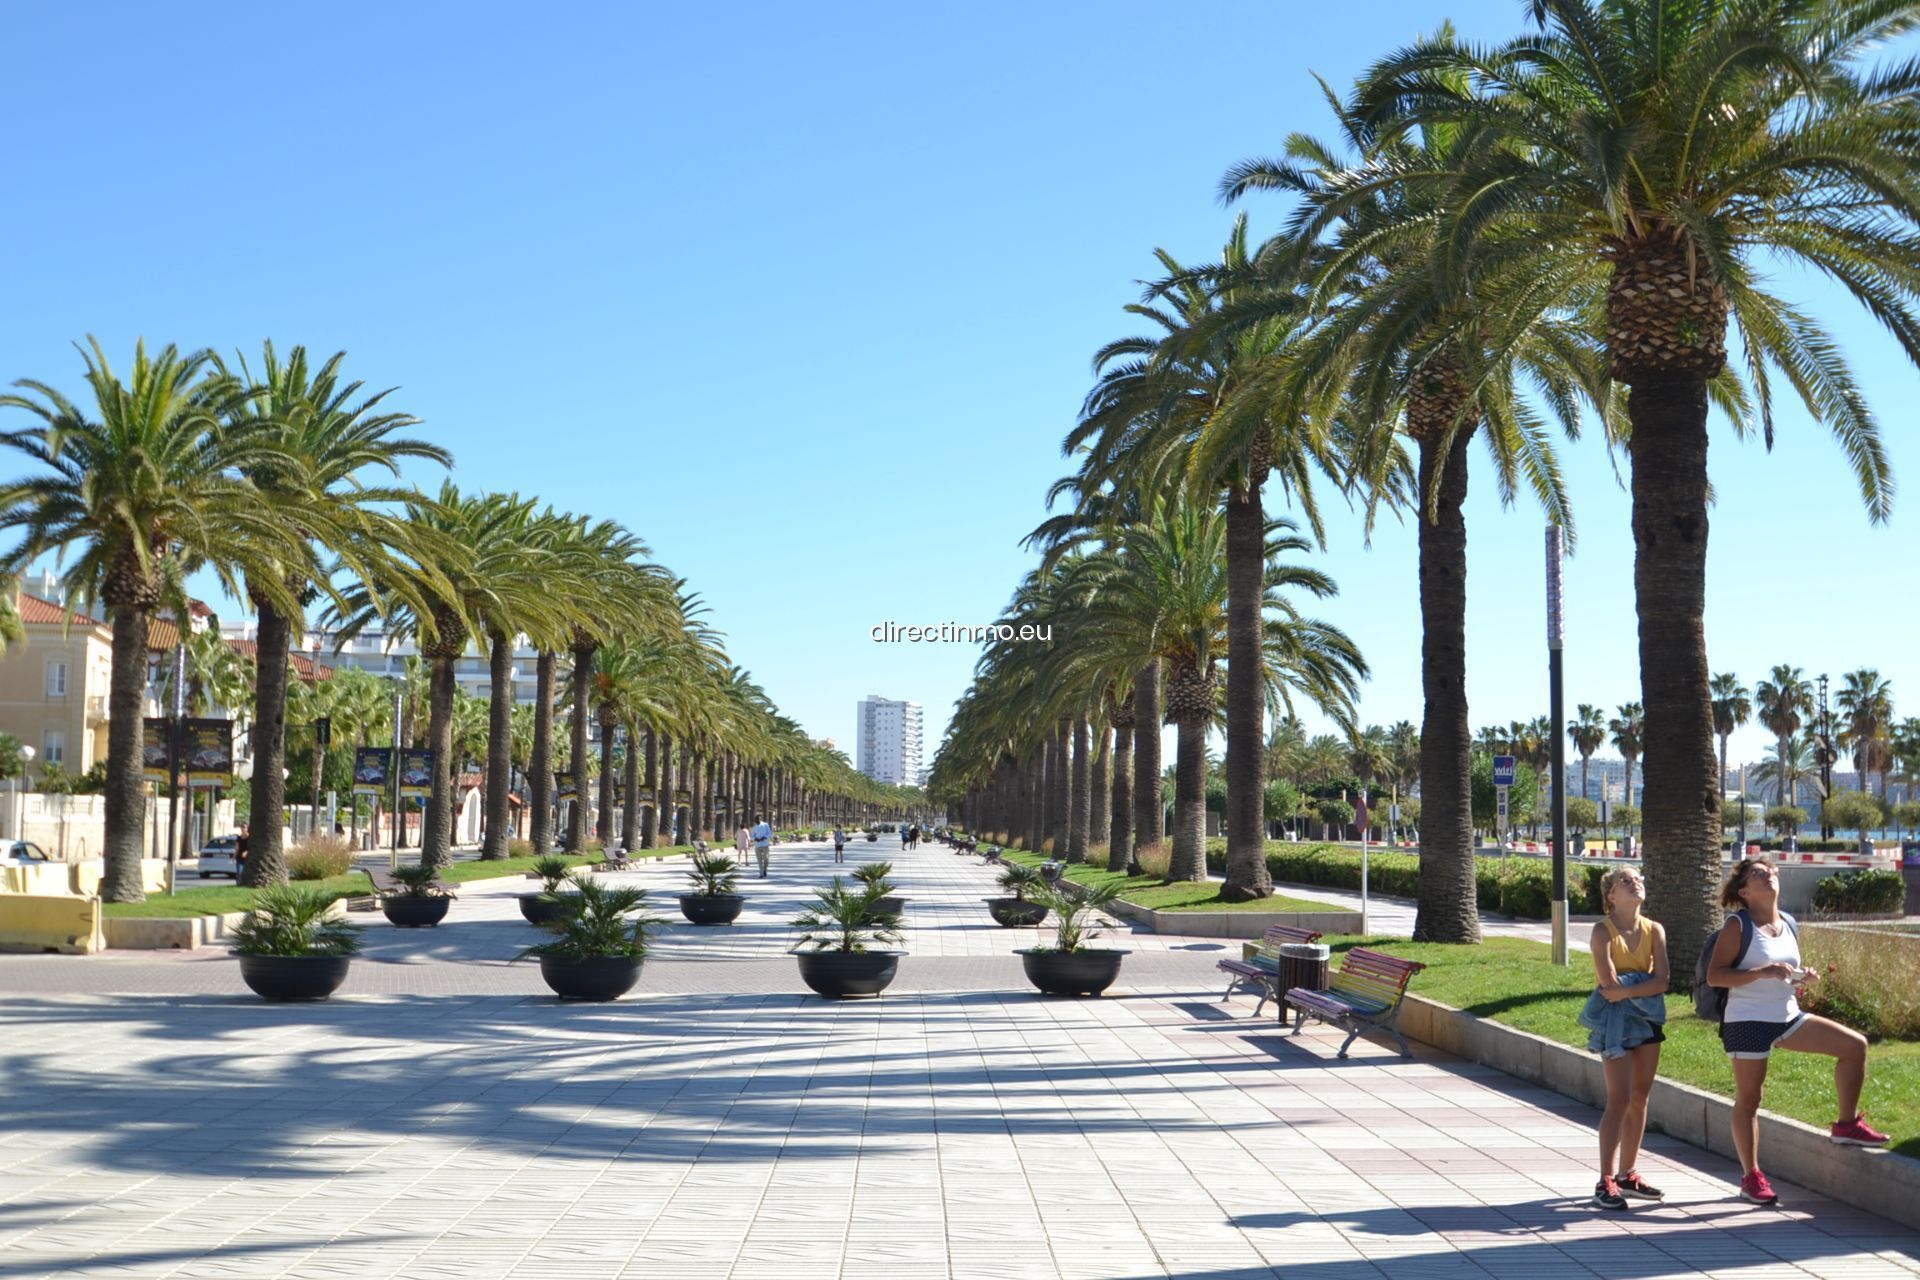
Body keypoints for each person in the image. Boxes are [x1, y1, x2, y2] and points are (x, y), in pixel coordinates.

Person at [1707, 858, 1888, 1207]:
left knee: (1854, 1046)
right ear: (1744, 892)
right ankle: (1751, 1177)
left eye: (1771, 871)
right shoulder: (1738, 925)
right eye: (1758, 873)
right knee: (1750, 1099)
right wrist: (1763, 971)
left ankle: (1846, 1125)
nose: (1768, 875)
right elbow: (1716, 976)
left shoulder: (1788, 922)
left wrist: (1801, 976)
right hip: (1747, 1021)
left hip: (1788, 1017)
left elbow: (1784, 973)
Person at [1579, 868, 1669, 1210]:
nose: (1636, 883)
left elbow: (1663, 981)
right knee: (1619, 1098)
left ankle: (1628, 1174)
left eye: (1638, 878)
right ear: (1611, 896)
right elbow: (1608, 984)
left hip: (1648, 1019)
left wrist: (1629, 989)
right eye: (1626, 881)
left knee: (1640, 1098)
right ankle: (1605, 1178)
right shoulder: (1603, 931)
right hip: (1615, 1022)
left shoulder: (1654, 930)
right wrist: (1641, 985)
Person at [749, 814, 773, 878]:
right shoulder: (754, 827)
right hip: (757, 845)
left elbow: (769, 833)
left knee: (766, 859)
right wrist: (755, 839)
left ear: (761, 819)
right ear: (755, 820)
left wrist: (764, 837)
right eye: (757, 819)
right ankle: (761, 873)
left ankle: (765, 870)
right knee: (759, 860)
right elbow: (752, 836)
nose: (758, 820)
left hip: (765, 844)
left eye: (759, 819)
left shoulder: (765, 825)